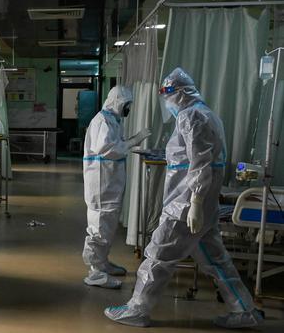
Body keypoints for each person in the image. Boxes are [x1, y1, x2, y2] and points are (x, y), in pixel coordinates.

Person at [105, 68, 263, 328]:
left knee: (158, 254)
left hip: (186, 204)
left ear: (179, 94)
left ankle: (137, 310)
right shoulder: (208, 115)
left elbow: (200, 164)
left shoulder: (192, 117)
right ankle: (243, 310)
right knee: (216, 260)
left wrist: (195, 204)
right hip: (202, 205)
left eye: (168, 96)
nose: (166, 103)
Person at [82, 86, 151, 288]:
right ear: (117, 102)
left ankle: (102, 263)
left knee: (107, 226)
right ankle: (95, 272)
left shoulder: (112, 120)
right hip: (101, 185)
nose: (127, 109)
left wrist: (130, 145)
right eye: (126, 105)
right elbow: (107, 149)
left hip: (109, 183)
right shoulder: (102, 121)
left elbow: (113, 145)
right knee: (99, 228)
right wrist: (132, 141)